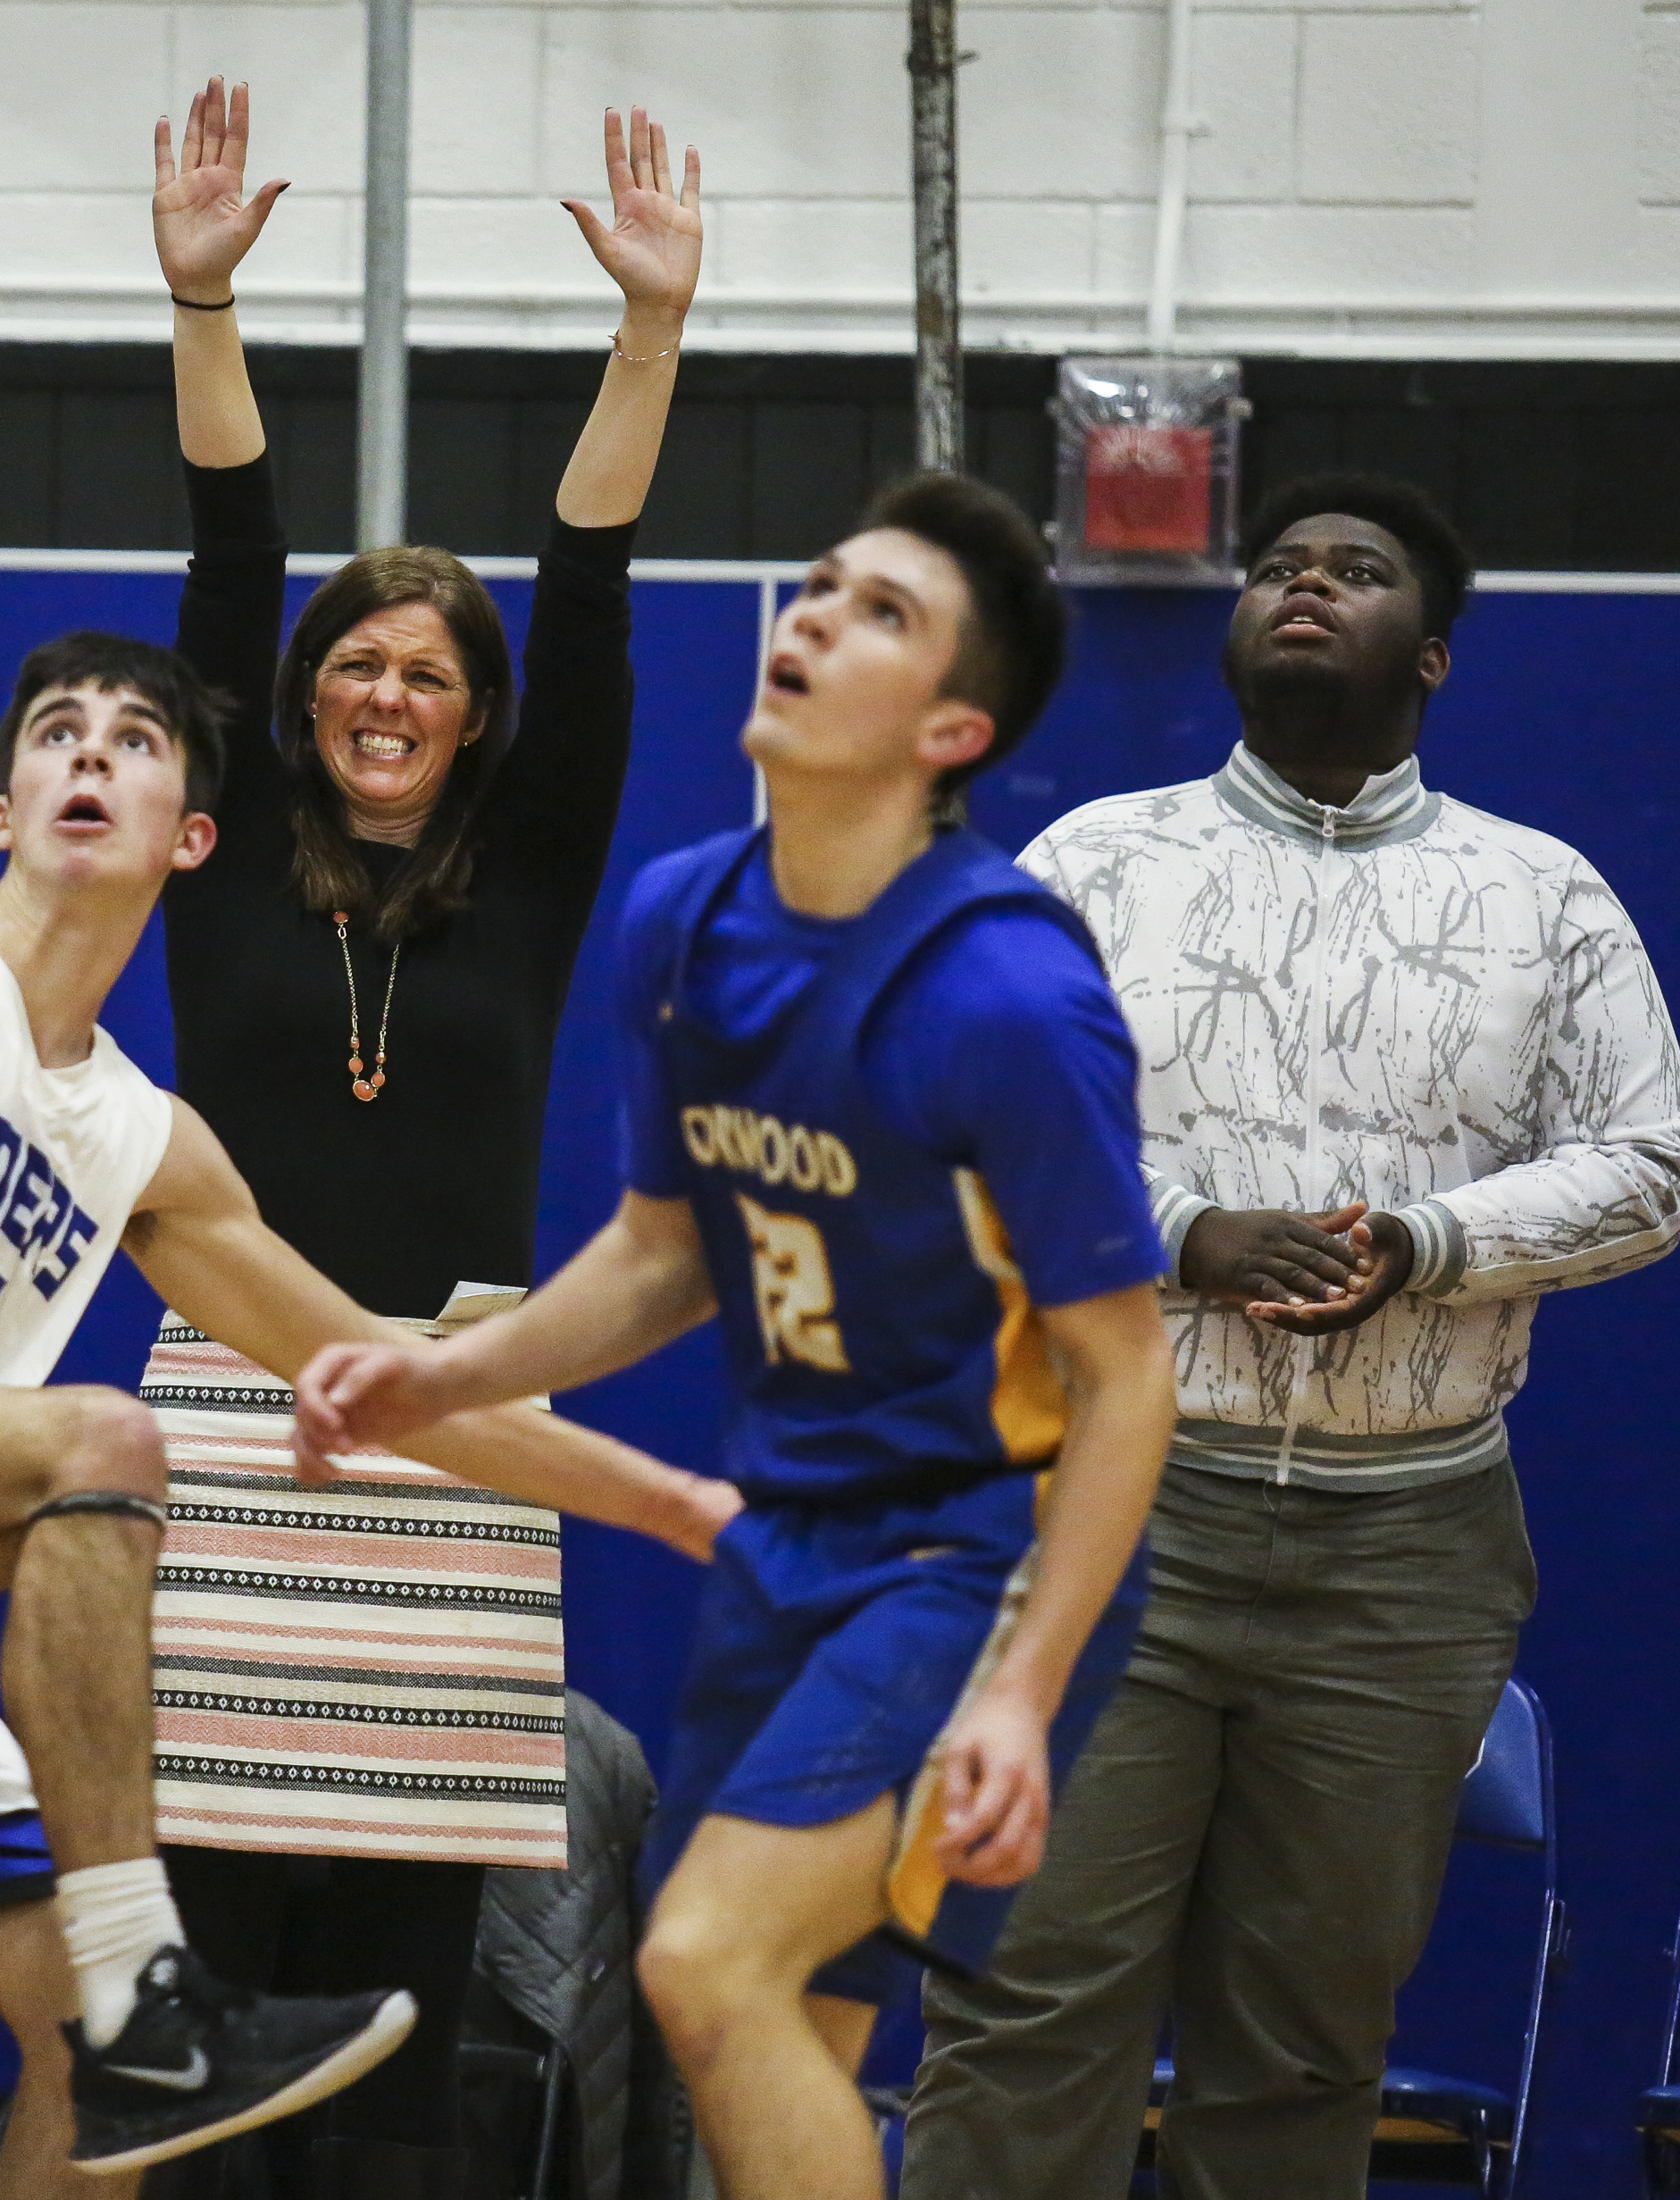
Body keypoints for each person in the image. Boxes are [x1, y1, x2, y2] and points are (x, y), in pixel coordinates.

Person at [0, 628, 739, 2193]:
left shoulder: (149, 1144)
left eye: (133, 740)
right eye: (55, 732)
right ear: (3, 808)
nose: (89, 754)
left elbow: (389, 1388)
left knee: (79, 2064)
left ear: (193, 837)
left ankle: (115, 2019)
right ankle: (147, 1989)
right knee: (101, 1446)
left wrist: (669, 1502)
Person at [294, 475, 1181, 2200]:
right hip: (793, 1549)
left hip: (974, 1559)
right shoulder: (686, 921)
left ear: (951, 729)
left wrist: (1022, 1686)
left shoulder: (1010, 993)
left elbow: (1131, 1374)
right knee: (767, 2039)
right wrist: (446, 1374)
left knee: (702, 1962)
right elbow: (663, 1250)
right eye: (822, 584)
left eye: (880, 615)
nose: (814, 618)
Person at [899, 476, 1680, 2199]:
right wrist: (1179, 1234)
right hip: (1114, 1516)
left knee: (1307, 2045)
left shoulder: (1541, 895)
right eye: (1278, 568)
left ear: (1437, 657)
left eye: (1359, 571)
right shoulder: (1093, 861)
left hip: (1408, 1552)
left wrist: (1429, 1244)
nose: (1305, 587)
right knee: (1025, 2004)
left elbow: (1652, 1166)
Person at [133, 83, 699, 2198]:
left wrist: (648, 337)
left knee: (398, 2039)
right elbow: (226, 560)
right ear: (300, 702)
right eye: (356, 663)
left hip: (459, 1431)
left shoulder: (537, 870)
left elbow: (596, 581)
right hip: (227, 1418)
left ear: (476, 718)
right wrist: (203, 305)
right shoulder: (216, 856)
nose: (388, 690)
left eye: (431, 673)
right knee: (191, 2011)